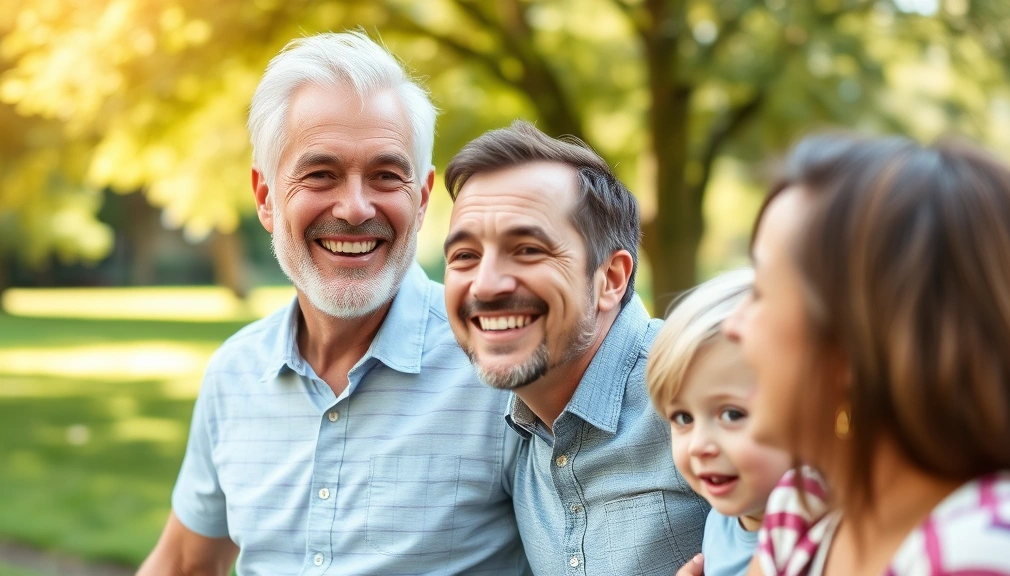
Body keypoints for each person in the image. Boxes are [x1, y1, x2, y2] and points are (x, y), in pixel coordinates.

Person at [136, 32, 528, 576]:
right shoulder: (235, 371)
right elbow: (183, 564)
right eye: (320, 174)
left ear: (420, 200)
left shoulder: (502, 372)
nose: (354, 207)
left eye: (386, 176)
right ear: (266, 198)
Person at [724, 133, 1010, 575]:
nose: (733, 326)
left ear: (851, 339)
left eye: (760, 292)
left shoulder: (985, 548)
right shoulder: (804, 506)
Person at [442, 120, 710, 575]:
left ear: (611, 279)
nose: (484, 285)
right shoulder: (507, 429)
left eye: (527, 249)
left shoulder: (703, 386)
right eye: (464, 256)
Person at [646, 269, 791, 576]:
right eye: (683, 418)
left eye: (732, 415)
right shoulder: (721, 523)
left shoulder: (828, 536)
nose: (699, 445)